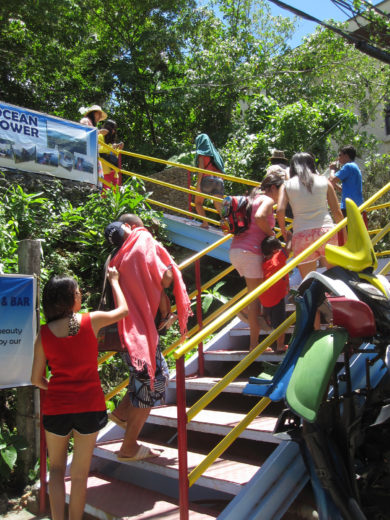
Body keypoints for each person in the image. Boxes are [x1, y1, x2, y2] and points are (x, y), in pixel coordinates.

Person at [30, 268, 128, 520]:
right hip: (89, 405)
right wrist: (115, 281)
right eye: (77, 291)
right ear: (68, 299)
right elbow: (124, 311)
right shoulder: (89, 320)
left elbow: (35, 378)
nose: (80, 294)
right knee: (80, 475)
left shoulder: (44, 333)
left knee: (56, 469)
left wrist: (56, 388)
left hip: (57, 407)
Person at [104, 215, 192, 461]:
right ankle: (128, 447)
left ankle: (122, 413)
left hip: (123, 330)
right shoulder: (142, 240)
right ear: (133, 227)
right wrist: (169, 271)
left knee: (144, 378)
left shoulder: (116, 255)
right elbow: (164, 278)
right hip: (139, 332)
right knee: (155, 381)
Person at [229, 172, 284, 351]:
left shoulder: (250, 199)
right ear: (273, 188)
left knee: (255, 295)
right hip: (250, 252)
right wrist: (272, 235)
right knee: (255, 300)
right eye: (281, 191)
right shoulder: (266, 201)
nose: (280, 197)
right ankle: (254, 345)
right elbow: (260, 218)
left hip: (236, 250)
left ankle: (244, 308)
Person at [277, 152, 345, 282]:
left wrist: (284, 231)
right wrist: (344, 236)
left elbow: (280, 210)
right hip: (326, 232)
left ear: (293, 167)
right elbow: (337, 212)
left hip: (302, 234)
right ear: (312, 165)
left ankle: (315, 301)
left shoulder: (287, 185)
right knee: (338, 278)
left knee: (309, 281)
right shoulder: (324, 181)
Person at [260, 235, 292, 353]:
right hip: (277, 296)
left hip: (264, 297)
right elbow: (288, 249)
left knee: (269, 322)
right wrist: (289, 238)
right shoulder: (278, 257)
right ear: (275, 250)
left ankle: (264, 342)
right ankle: (280, 345)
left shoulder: (263, 262)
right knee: (280, 324)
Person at [194, 133, 225, 229]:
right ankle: (228, 226)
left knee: (198, 203)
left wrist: (198, 185)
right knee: (219, 205)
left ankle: (205, 223)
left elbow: (201, 170)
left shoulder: (202, 154)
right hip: (219, 180)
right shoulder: (215, 154)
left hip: (207, 180)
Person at [329, 144, 364, 219]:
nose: (338, 158)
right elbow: (342, 189)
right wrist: (334, 184)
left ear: (346, 156)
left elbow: (332, 179)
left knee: (347, 230)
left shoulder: (348, 166)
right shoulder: (354, 166)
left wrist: (332, 169)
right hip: (357, 204)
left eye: (340, 155)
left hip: (349, 207)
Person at [98, 119, 124, 190]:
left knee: (115, 196)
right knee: (106, 195)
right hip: (105, 172)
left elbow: (114, 156)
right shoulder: (100, 136)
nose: (113, 131)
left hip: (114, 172)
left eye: (114, 129)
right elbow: (99, 149)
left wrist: (119, 149)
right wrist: (112, 147)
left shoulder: (111, 141)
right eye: (112, 128)